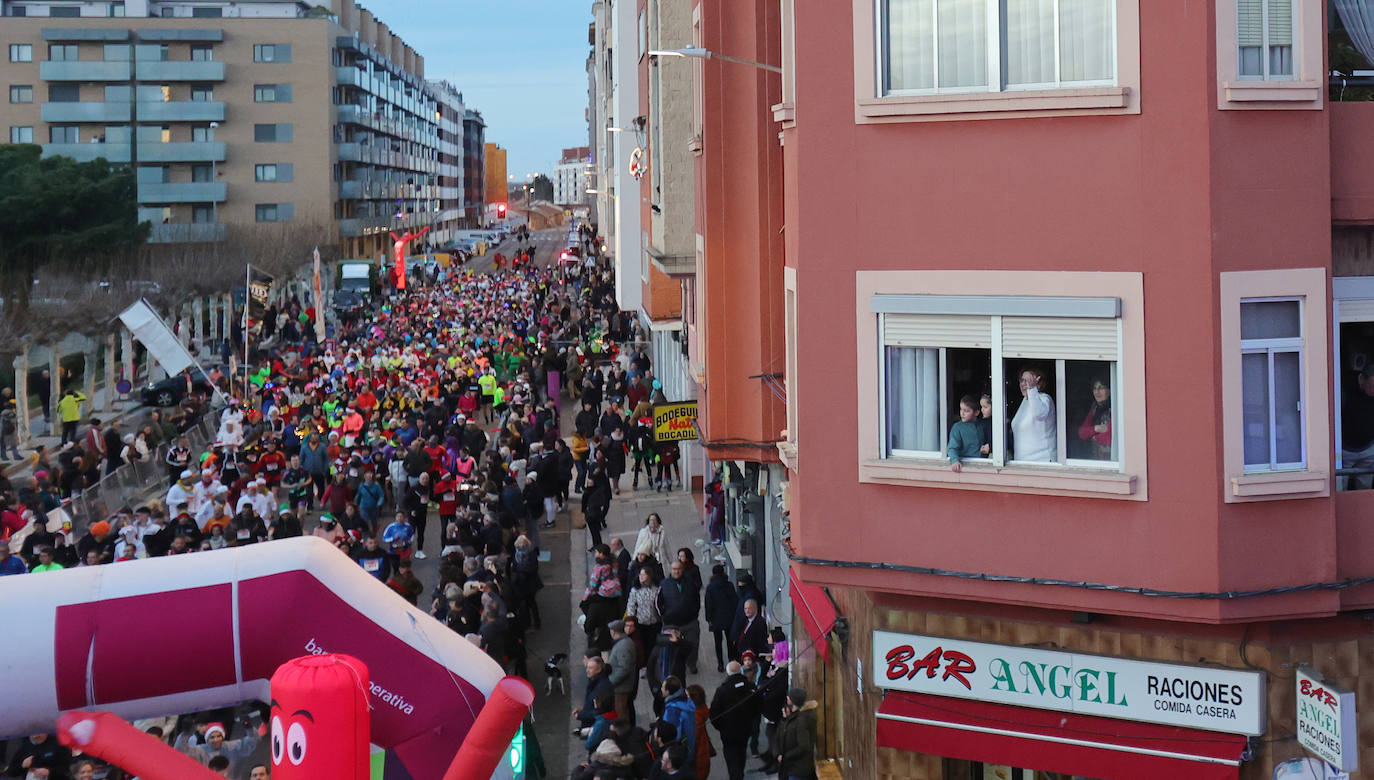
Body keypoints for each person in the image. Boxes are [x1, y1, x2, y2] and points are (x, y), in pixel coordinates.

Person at [710, 661, 758, 780]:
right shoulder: (750, 687)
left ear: (728, 672)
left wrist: (721, 727)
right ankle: (739, 773)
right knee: (741, 753)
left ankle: (736, 776)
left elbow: (714, 713)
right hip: (745, 729)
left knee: (731, 758)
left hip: (728, 733)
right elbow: (758, 708)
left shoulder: (722, 691)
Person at [1011, 367, 1055, 461]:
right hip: (1022, 463)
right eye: (1021, 380)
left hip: (1042, 462)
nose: (1023, 384)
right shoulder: (1025, 400)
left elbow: (1039, 414)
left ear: (1038, 382)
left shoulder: (1045, 399)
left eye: (1028, 381)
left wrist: (1032, 389)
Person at [774, 687, 819, 780]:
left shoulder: (801, 720)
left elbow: (804, 746)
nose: (787, 698)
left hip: (797, 769)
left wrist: (785, 757)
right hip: (790, 767)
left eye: (789, 698)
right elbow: (779, 737)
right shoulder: (791, 718)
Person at [1343, 363, 1374, 489]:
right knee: (1340, 489)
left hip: (1368, 449)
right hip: (1344, 450)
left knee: (1365, 489)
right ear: (1362, 379)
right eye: (1372, 386)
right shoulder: (1344, 389)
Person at [703, 564, 738, 672]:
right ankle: (731, 660)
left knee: (718, 642)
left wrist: (709, 619)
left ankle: (720, 664)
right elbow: (735, 601)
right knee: (730, 641)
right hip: (729, 618)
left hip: (716, 619)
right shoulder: (729, 585)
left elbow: (708, 604)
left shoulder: (710, 587)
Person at [660, 676, 696, 765]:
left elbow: (673, 736)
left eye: (663, 687)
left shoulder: (673, 712)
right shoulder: (686, 701)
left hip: (679, 757)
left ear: (668, 691)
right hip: (690, 747)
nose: (661, 689)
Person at [607, 619, 638, 725]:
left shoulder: (623, 645)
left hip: (621, 687)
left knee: (621, 713)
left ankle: (624, 735)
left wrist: (610, 681)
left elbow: (624, 668)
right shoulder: (623, 643)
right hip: (621, 686)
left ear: (614, 631)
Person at [1076, 375, 1113, 461]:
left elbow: (1110, 437)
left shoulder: (1115, 407)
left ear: (1110, 390)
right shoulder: (1095, 408)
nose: (1097, 392)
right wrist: (1096, 428)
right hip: (1096, 460)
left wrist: (1094, 437)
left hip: (1113, 462)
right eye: (1095, 388)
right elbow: (1082, 433)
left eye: (1101, 388)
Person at [946, 395, 983, 472]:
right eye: (961, 409)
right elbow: (952, 447)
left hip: (983, 464)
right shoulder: (957, 427)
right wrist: (955, 460)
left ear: (976, 412)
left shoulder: (982, 426)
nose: (962, 413)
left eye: (966, 411)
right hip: (966, 465)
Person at [687, 684, 713, 780]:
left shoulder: (695, 719)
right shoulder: (701, 712)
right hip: (702, 759)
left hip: (697, 762)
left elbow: (692, 742)